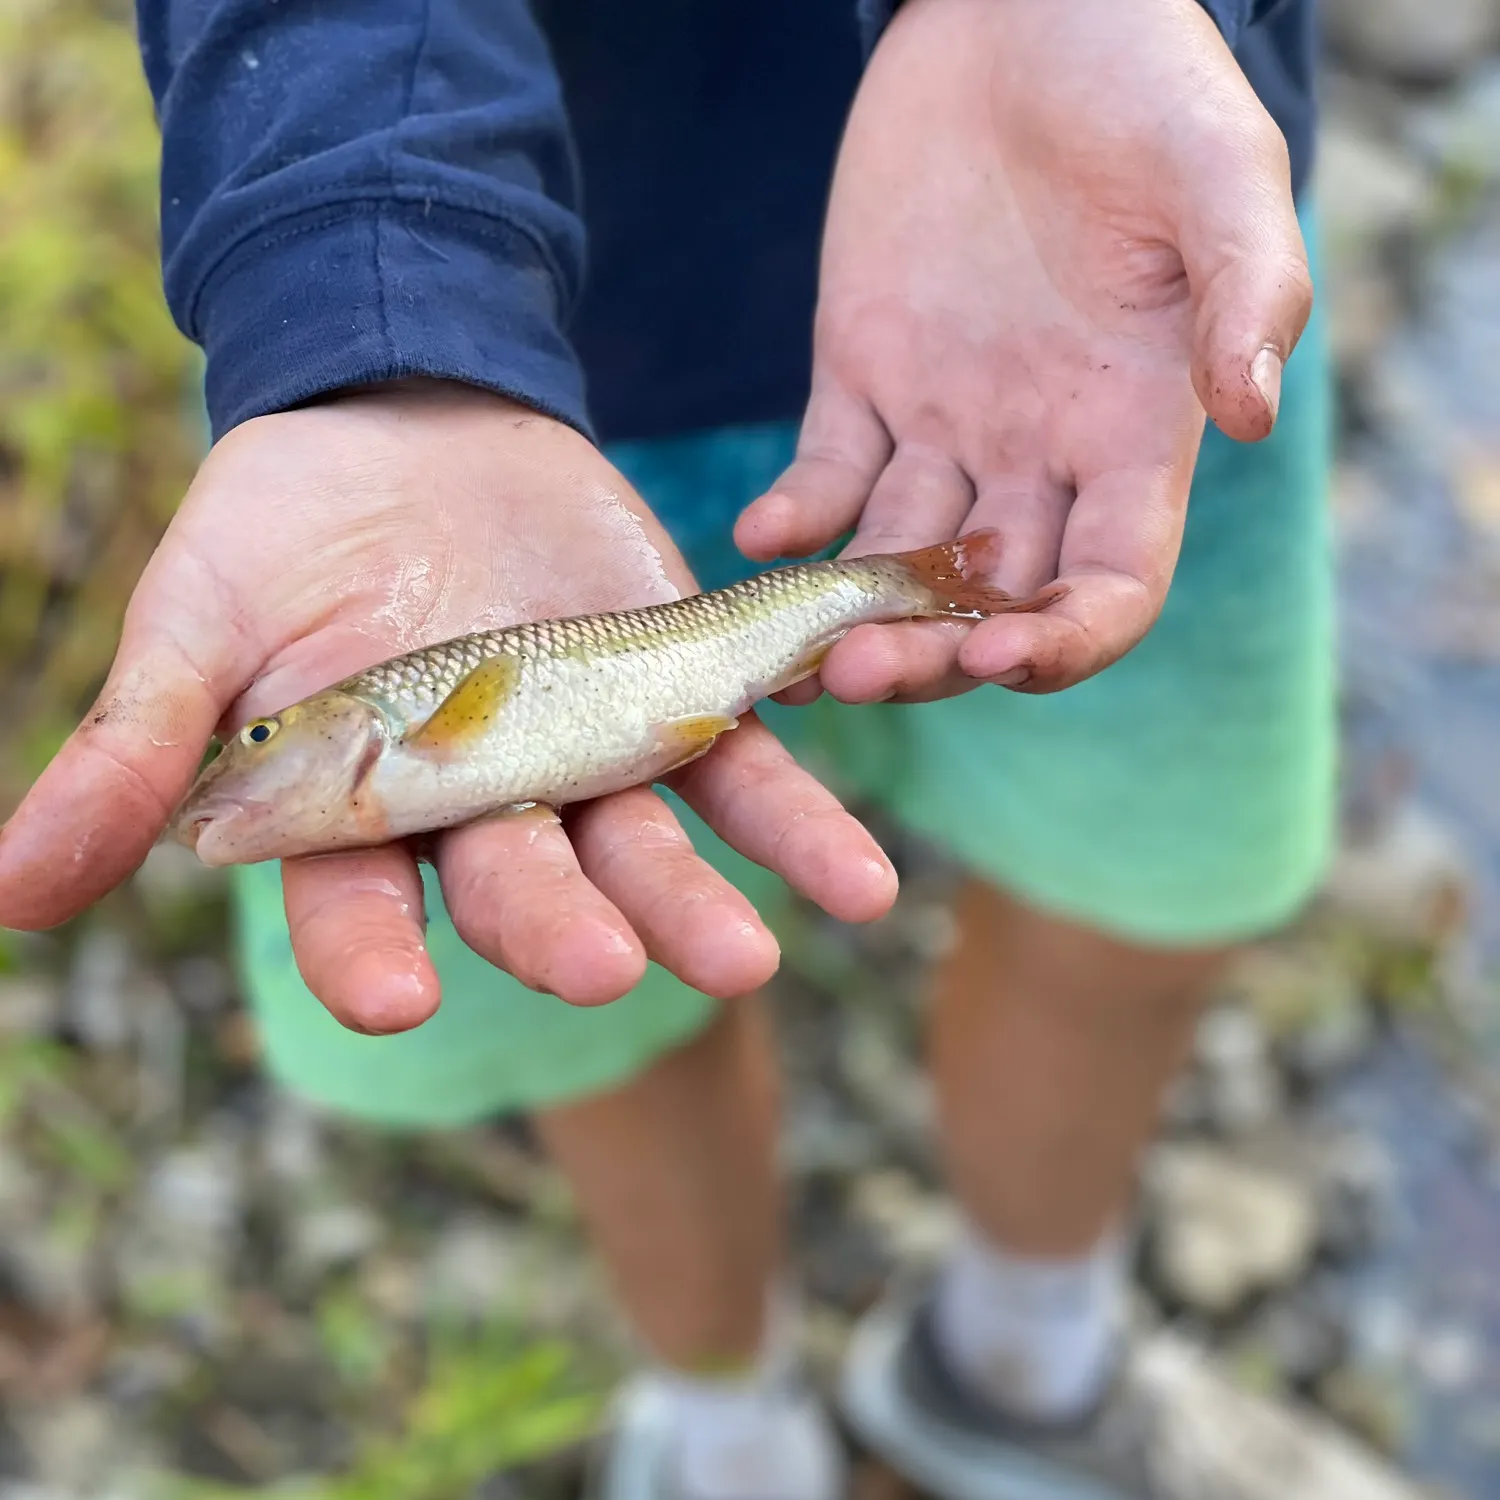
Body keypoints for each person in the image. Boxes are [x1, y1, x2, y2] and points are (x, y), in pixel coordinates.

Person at [0, 0, 1420, 1495]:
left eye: (268, 737)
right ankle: (730, 1420)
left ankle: (1027, 1354)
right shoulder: (383, 642)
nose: (249, 754)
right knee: (598, 1002)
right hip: (510, 335)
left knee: (1140, 883)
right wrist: (370, 300)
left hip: (1083, 301)